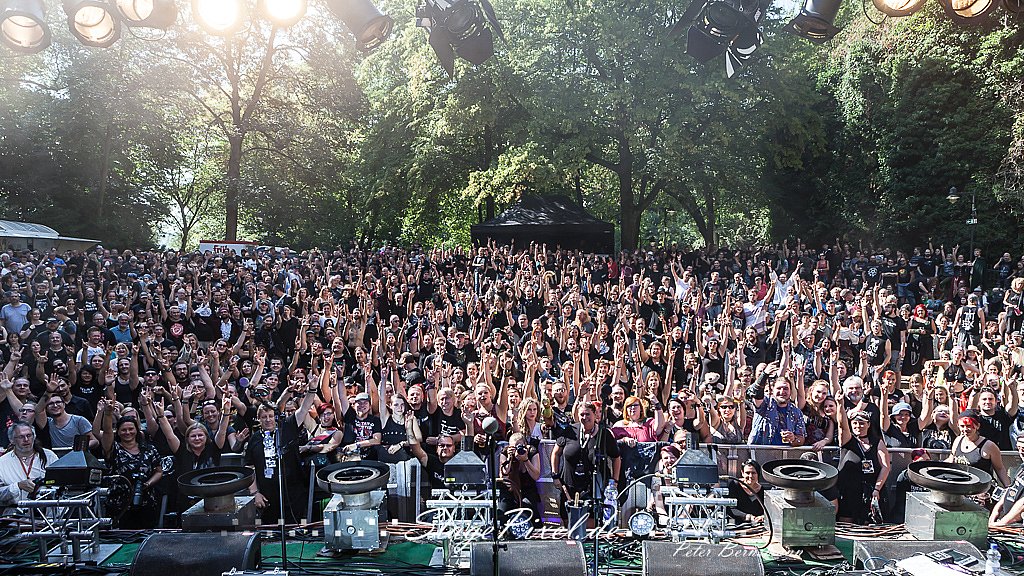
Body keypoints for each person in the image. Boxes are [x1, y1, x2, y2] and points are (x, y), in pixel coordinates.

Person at [549, 402, 621, 523]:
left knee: (590, 524)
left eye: (588, 414)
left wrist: (614, 481)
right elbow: (555, 453)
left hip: (594, 488)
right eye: (581, 414)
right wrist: (555, 475)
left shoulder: (604, 434)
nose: (584, 417)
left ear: (595, 415)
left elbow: (616, 458)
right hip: (570, 485)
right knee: (569, 522)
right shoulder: (570, 430)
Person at [99, 404, 163, 528]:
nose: (127, 432)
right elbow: (107, 432)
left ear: (137, 430)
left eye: (131, 429)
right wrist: (107, 414)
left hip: (146, 502)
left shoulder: (149, 449)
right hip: (119, 504)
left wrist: (147, 484)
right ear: (118, 432)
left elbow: (159, 471)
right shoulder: (114, 449)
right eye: (123, 430)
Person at [836, 405, 889, 524]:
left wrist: (877, 488)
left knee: (868, 523)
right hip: (849, 490)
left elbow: (885, 467)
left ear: (868, 424)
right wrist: (840, 405)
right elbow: (842, 425)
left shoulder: (877, 442)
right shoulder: (847, 440)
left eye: (861, 423)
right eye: (855, 423)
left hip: (870, 490)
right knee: (846, 522)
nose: (858, 426)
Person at [0, 422, 57, 513]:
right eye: (21, 437)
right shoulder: (2, 462)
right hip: (15, 516)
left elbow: (61, 485)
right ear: (12, 440)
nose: (26, 440)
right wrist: (18, 486)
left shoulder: (49, 456)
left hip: (47, 515)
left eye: (29, 435)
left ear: (34, 437)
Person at [726, 459, 765, 525]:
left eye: (753, 473)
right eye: (747, 473)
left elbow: (767, 510)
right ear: (742, 473)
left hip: (757, 525)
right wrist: (747, 516)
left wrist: (763, 517)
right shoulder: (734, 485)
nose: (750, 476)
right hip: (737, 524)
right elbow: (730, 508)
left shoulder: (762, 490)